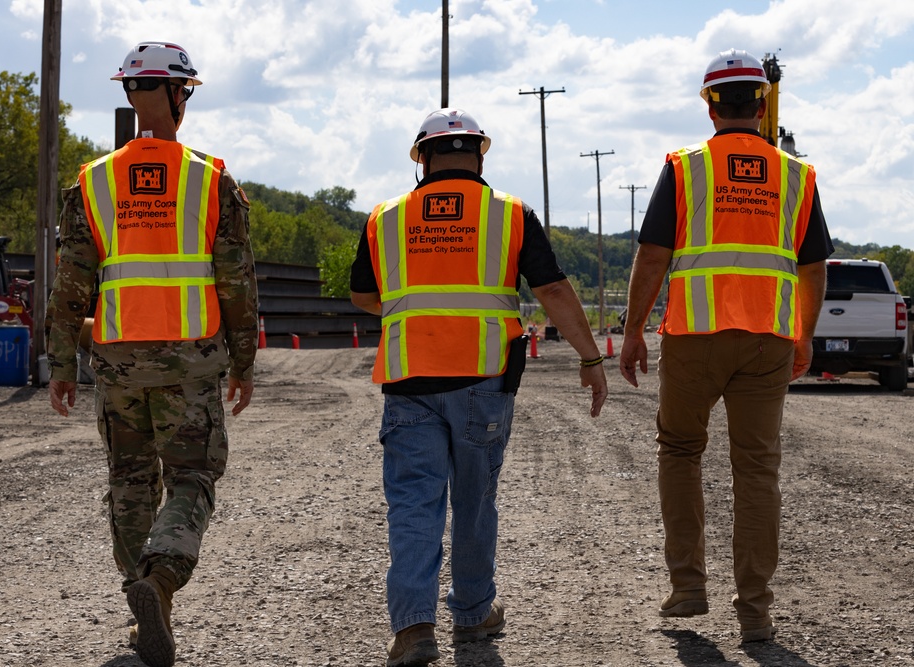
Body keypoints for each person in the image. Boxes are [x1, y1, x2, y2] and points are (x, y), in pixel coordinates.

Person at [350, 108, 608, 666]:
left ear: (421, 158)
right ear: (479, 154)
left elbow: (364, 297)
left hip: (408, 380)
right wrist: (590, 357)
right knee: (473, 501)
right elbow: (554, 290)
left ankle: (414, 627)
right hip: (483, 380)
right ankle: (471, 614)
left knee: (414, 504)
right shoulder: (510, 214)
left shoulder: (384, 217)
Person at [45, 41, 258, 667]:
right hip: (190, 364)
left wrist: (61, 364)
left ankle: (145, 611)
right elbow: (237, 282)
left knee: (129, 483)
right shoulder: (211, 178)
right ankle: (160, 580)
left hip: (116, 364)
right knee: (192, 477)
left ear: (132, 96)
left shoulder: (93, 182)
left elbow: (69, 287)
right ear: (179, 94)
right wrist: (244, 360)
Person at [619, 49, 833, 643]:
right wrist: (805, 334)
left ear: (710, 103)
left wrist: (634, 330)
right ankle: (756, 611)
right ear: (762, 103)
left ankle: (688, 588)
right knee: (758, 470)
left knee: (681, 452)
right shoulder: (796, 174)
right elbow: (813, 267)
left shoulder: (685, 168)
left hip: (695, 337)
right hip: (768, 339)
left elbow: (655, 254)